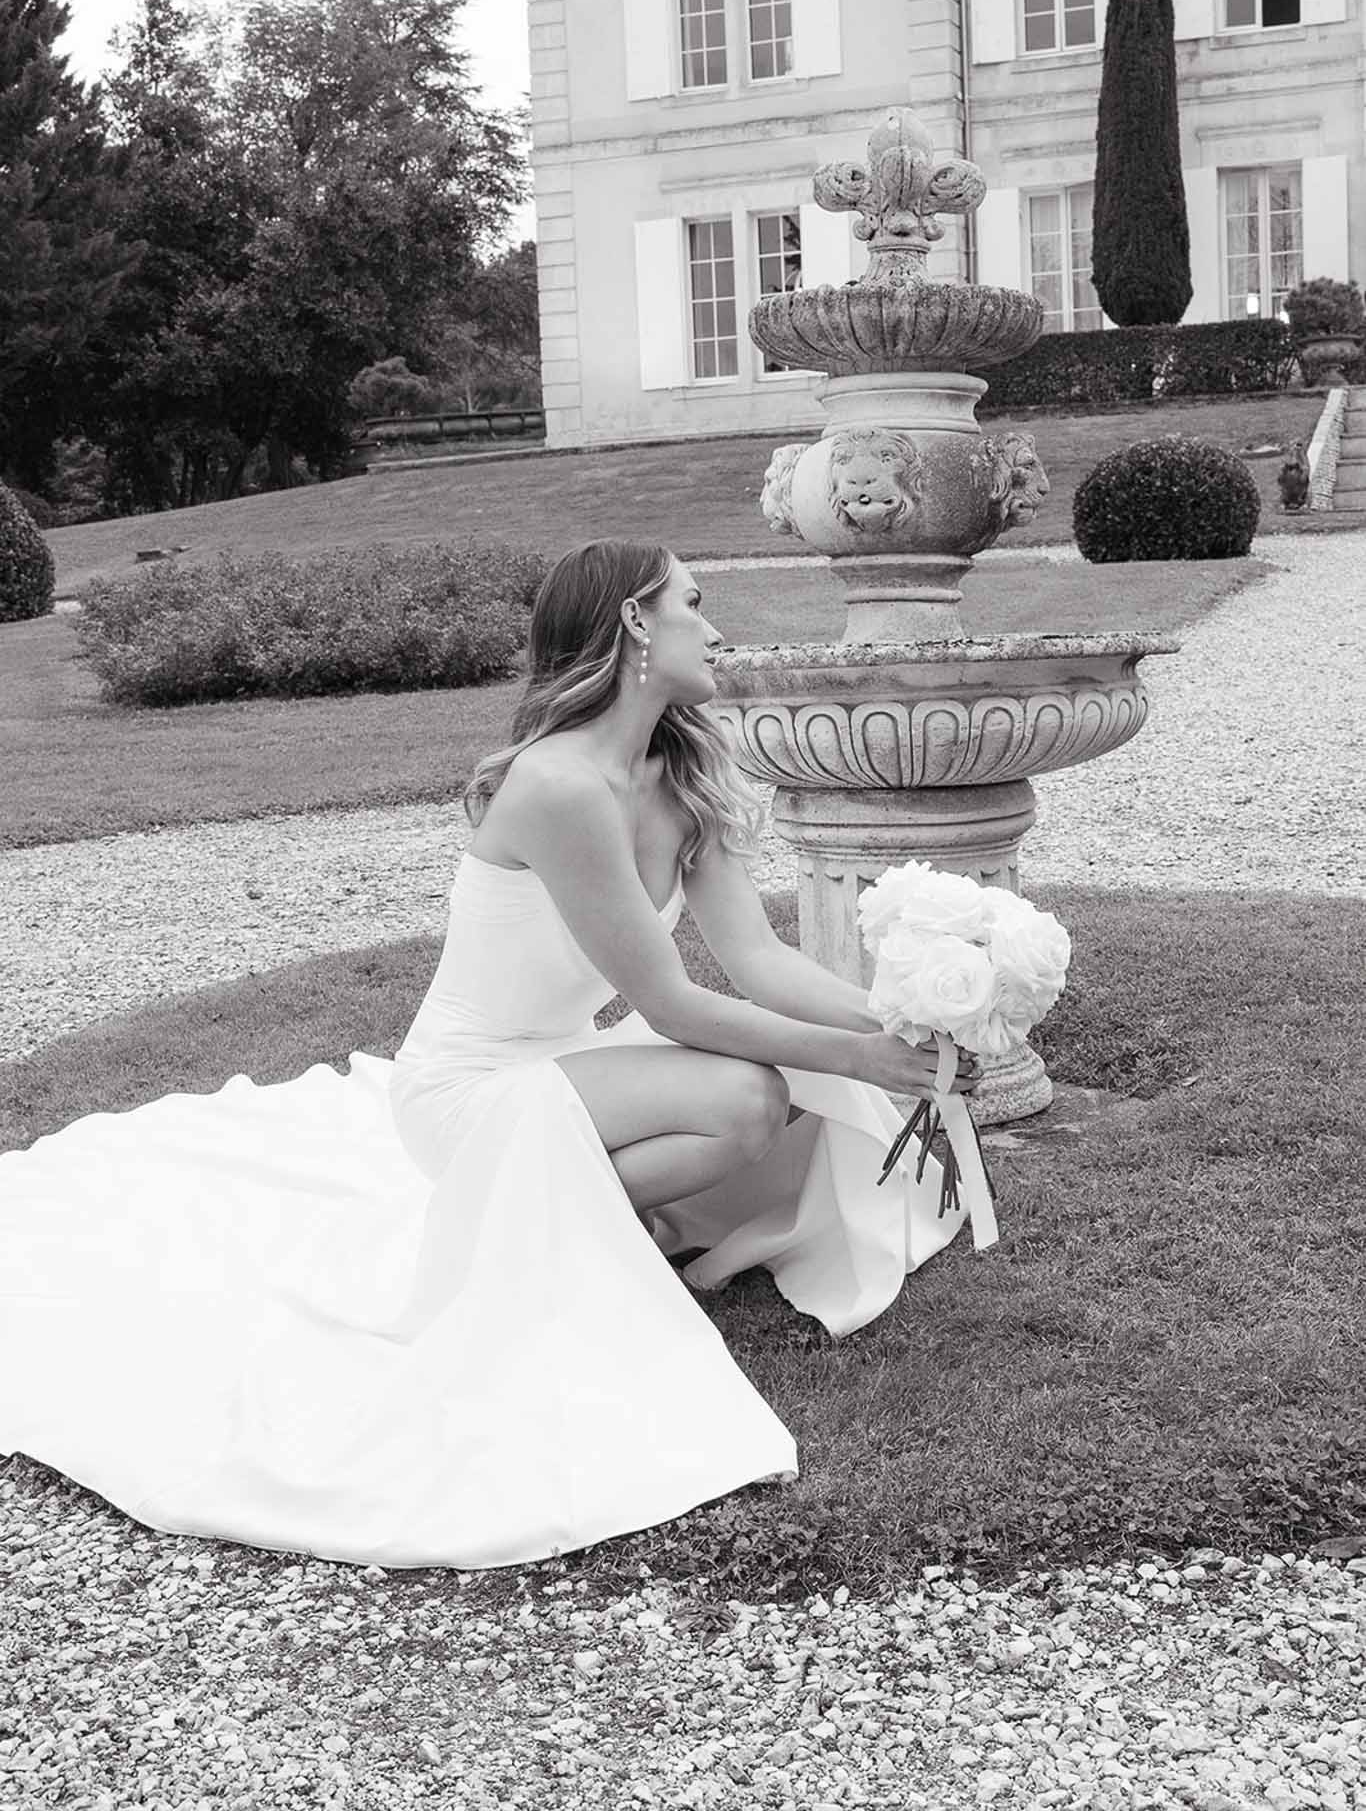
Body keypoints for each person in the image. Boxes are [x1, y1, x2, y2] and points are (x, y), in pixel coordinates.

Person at [0, 539, 979, 1574]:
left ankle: (589, 1224)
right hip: (470, 1085)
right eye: (695, 601)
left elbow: (761, 958)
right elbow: (671, 1000)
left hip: (576, 1062)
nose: (718, 624)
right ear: (636, 622)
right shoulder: (555, 786)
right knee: (746, 1096)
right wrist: (857, 1055)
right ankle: (558, 1222)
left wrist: (896, 1019)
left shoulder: (680, 770)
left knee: (790, 1089)